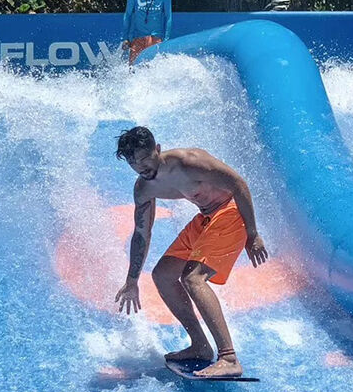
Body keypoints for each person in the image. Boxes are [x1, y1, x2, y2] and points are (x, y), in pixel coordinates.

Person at [114, 126, 268, 378]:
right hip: (205, 218)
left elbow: (238, 184)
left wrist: (252, 234)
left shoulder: (190, 162)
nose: (141, 167)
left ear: (157, 149)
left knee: (193, 278)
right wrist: (132, 280)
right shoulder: (144, 188)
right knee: (163, 275)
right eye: (133, 163)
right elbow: (142, 233)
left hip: (230, 212)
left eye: (144, 158)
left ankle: (229, 358)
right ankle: (200, 346)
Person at [121, 0, 172, 65]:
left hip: (156, 38)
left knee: (154, 69)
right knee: (133, 69)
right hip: (137, 37)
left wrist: (166, 40)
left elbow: (168, 17)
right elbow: (128, 15)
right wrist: (126, 38)